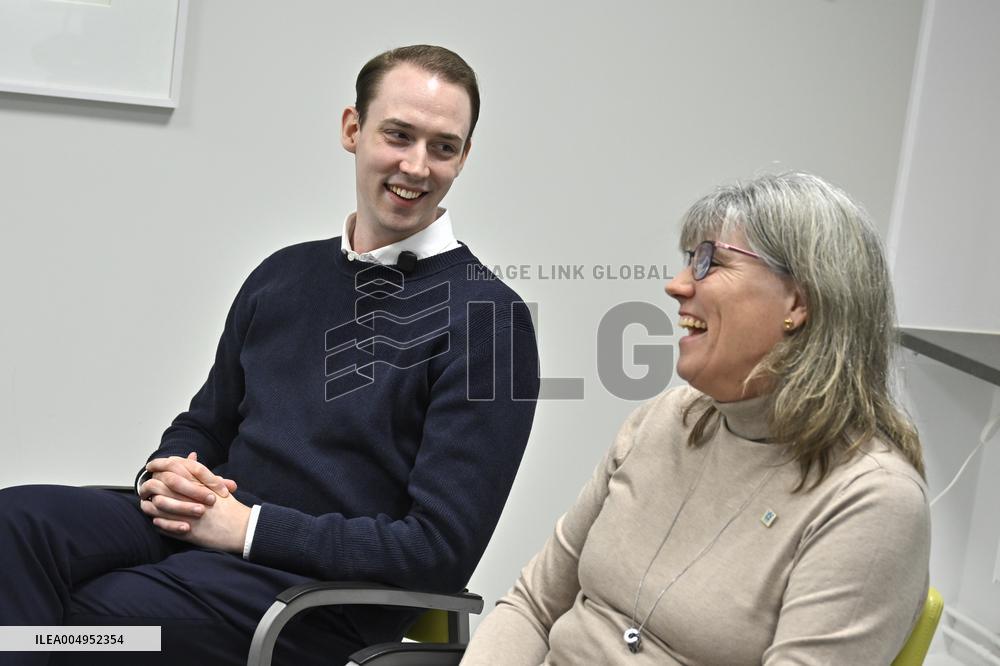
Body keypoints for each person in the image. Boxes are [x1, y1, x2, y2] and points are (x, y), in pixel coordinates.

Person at [0, 45, 539, 665]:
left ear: (464, 158)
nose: (416, 166)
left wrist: (248, 529)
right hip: (199, 537)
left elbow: (439, 550)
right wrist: (169, 471)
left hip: (310, 599)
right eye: (398, 135)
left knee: (79, 623)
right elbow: (206, 422)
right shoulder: (282, 275)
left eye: (443, 147)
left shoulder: (489, 320)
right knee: (16, 520)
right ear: (352, 129)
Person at [462, 172, 930, 665]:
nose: (677, 284)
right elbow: (533, 607)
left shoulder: (873, 501)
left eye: (711, 261)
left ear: (799, 302)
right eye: (689, 260)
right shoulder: (666, 419)